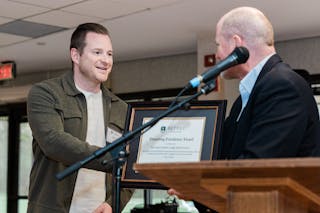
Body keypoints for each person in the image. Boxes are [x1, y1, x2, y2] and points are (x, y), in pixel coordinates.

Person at [27, 23, 132, 213]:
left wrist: (112, 204)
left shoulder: (121, 109)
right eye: (97, 52)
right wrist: (113, 161)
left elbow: (129, 169)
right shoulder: (46, 93)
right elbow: (54, 142)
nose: (106, 60)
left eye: (109, 54)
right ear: (75, 55)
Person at [217, 6, 320, 159]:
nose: (217, 55)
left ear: (235, 44)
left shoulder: (283, 87)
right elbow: (223, 151)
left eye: (218, 45)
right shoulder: (243, 100)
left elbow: (258, 167)